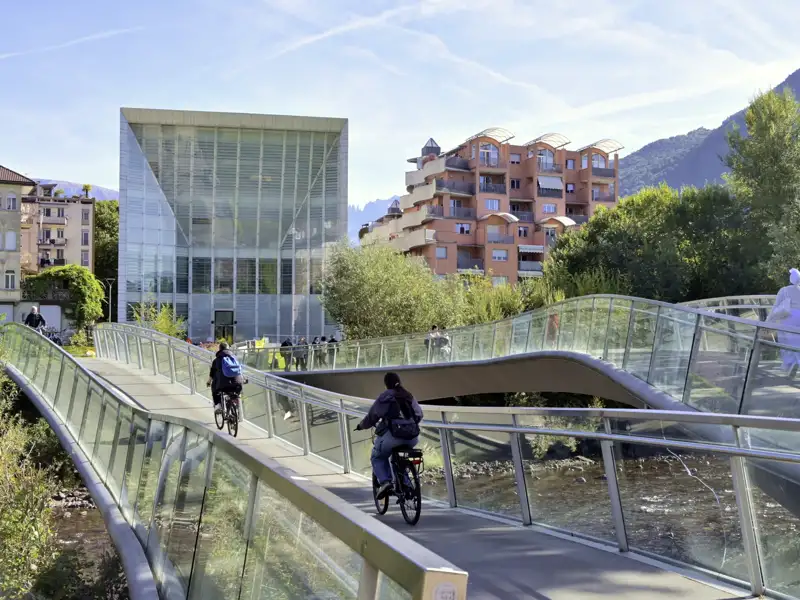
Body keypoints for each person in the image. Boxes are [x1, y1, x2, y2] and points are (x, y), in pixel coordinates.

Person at [355, 372, 423, 499]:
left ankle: (385, 483)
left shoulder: (385, 397)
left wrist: (361, 426)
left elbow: (372, 416)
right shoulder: (408, 395)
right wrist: (408, 424)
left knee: (377, 456)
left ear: (386, 384)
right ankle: (406, 484)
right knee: (400, 460)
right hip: (412, 437)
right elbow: (419, 414)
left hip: (393, 436)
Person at [768, 268, 800, 377]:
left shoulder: (784, 290)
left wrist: (768, 321)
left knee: (785, 341)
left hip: (788, 317)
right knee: (797, 340)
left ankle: (790, 364)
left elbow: (775, 306)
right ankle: (795, 363)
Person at [207, 342, 244, 416]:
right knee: (235, 393)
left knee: (214, 387)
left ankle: (218, 405)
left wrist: (209, 382)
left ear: (220, 349)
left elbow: (212, 373)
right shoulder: (234, 358)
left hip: (223, 386)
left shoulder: (217, 360)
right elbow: (240, 370)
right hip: (237, 384)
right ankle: (236, 406)